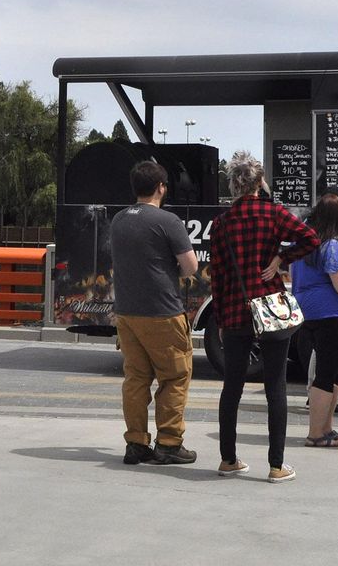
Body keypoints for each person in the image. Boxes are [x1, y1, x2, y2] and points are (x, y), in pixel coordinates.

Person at [209, 151, 319, 483]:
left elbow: (217, 276)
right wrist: (281, 258)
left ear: (232, 185)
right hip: (271, 308)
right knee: (275, 386)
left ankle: (228, 459)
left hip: (234, 310)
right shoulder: (274, 214)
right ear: (260, 182)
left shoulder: (221, 223)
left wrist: (223, 314)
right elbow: (311, 238)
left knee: (232, 387)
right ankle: (276, 465)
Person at [110, 161, 199, 465]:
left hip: (126, 311)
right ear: (161, 187)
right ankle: (169, 443)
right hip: (162, 311)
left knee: (135, 379)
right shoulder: (168, 221)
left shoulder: (119, 220)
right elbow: (190, 267)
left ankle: (136, 443)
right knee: (174, 376)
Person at [291, 193, 338, 448]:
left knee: (335, 371)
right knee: (327, 373)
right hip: (333, 315)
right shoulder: (331, 246)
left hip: (309, 314)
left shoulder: (303, 244)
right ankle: (316, 433)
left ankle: (326, 428)